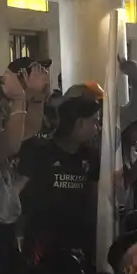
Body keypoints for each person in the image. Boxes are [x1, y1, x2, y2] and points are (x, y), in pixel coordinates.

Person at [17, 95, 102, 263]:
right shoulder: (40, 152)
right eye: (94, 122)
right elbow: (21, 197)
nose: (97, 128)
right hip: (42, 243)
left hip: (78, 242)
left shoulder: (90, 156)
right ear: (79, 123)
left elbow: (94, 199)